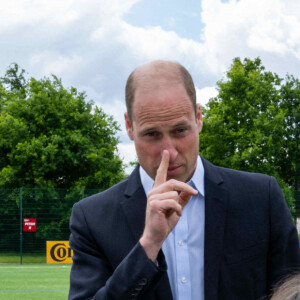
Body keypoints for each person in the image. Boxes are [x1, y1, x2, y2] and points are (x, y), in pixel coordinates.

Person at [68, 60, 300, 300]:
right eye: (151, 134)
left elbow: (291, 291)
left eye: (180, 131)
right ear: (129, 126)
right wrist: (148, 245)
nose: (169, 152)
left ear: (198, 117)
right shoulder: (92, 218)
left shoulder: (261, 197)